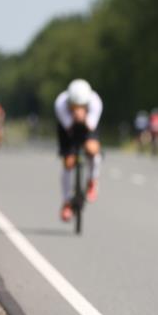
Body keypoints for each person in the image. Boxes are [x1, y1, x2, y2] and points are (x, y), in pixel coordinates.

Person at [54, 79, 103, 222]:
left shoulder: (95, 102)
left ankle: (92, 180)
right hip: (67, 130)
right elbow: (69, 127)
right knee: (68, 162)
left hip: (88, 125)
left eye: (81, 106)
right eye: (74, 106)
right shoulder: (60, 104)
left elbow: (91, 126)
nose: (77, 108)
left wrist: (83, 117)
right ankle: (66, 202)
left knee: (93, 150)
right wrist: (75, 117)